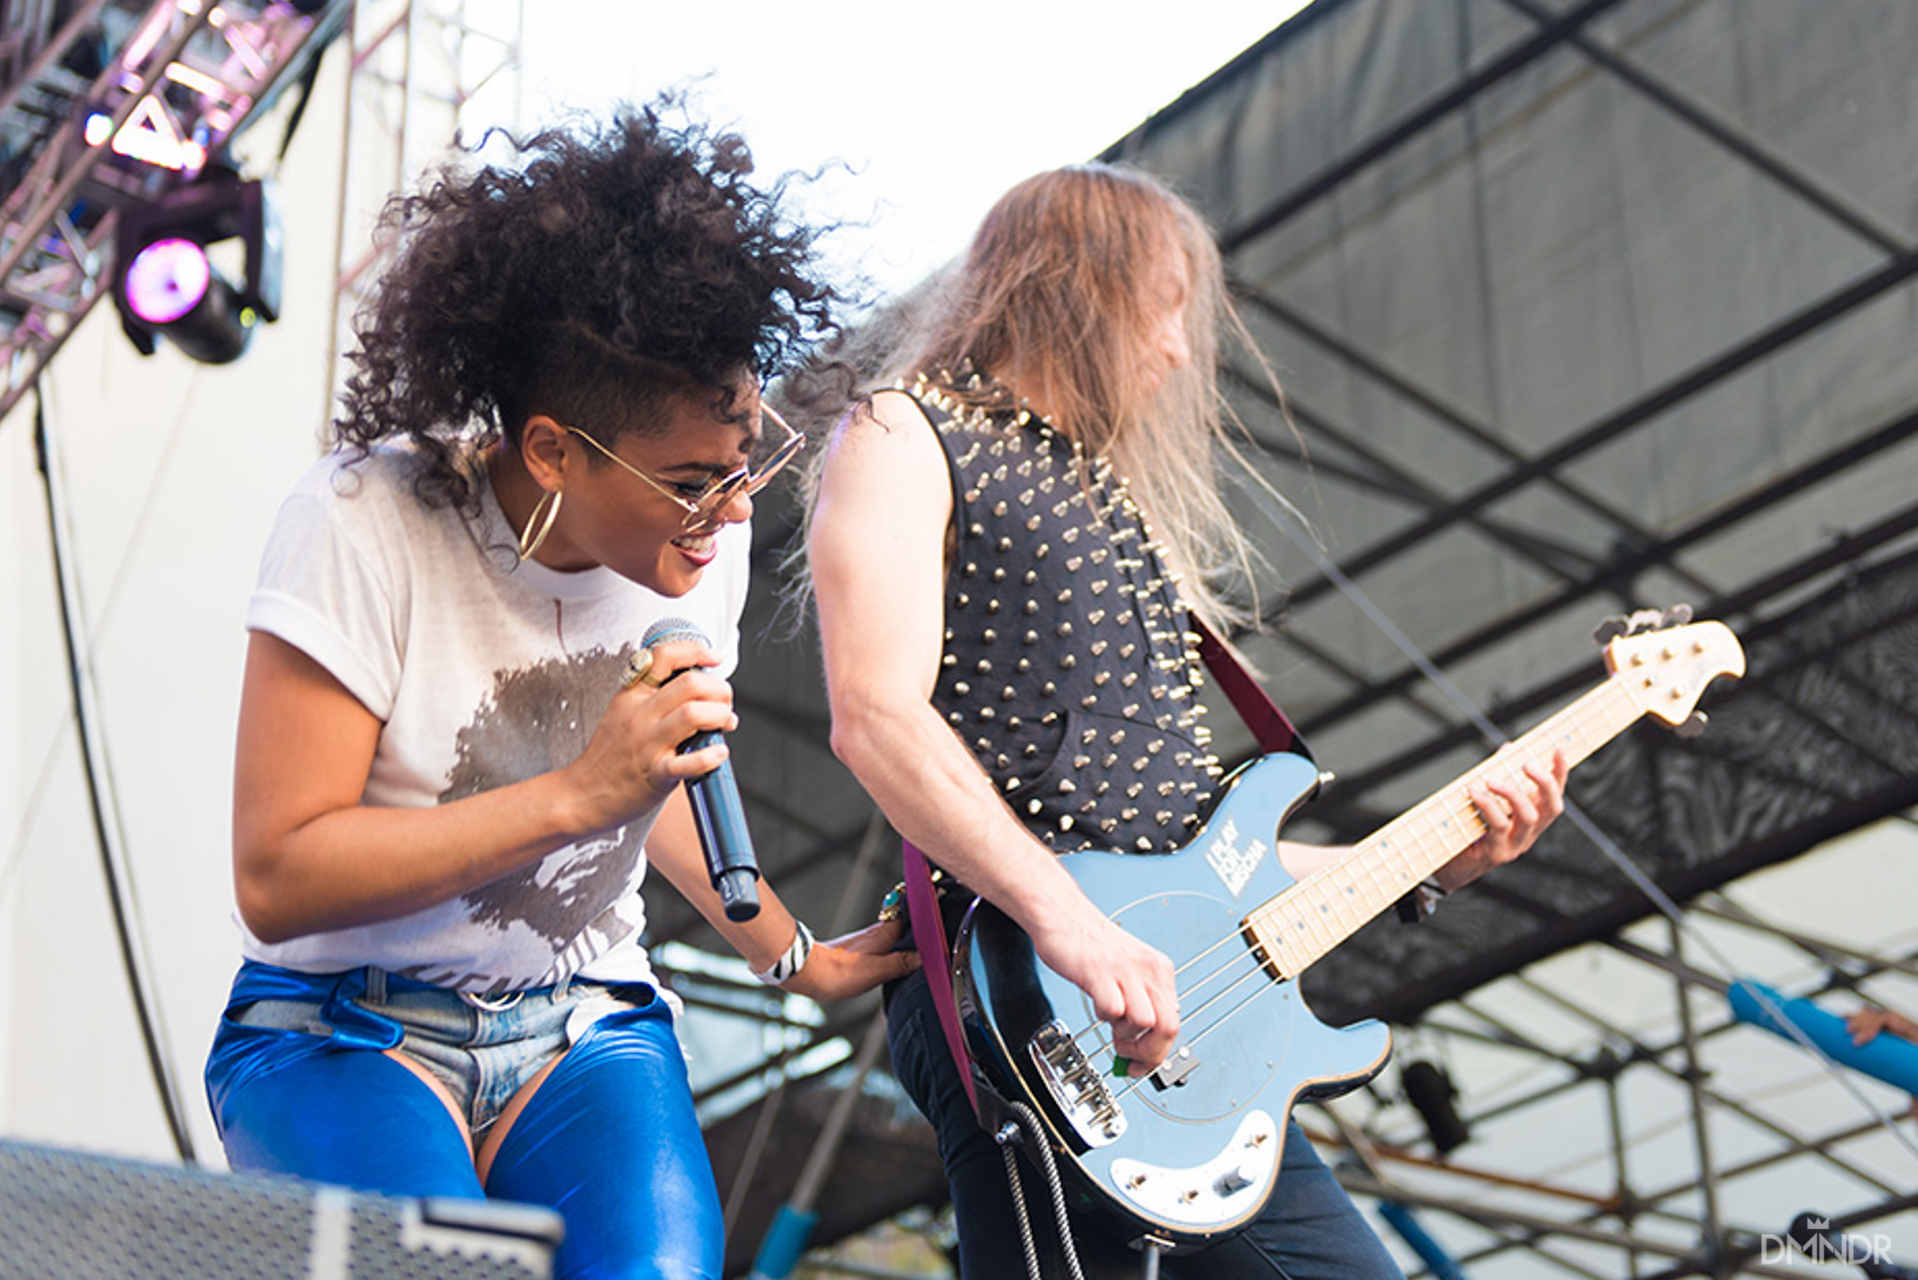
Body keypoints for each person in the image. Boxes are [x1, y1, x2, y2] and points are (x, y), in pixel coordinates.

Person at [803, 163, 1569, 1278]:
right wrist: (1068, 920)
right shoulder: (902, 431)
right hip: (1025, 987)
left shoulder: (1109, 500)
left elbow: (1204, 865)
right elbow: (875, 712)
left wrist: (1431, 859)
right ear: (1086, 287)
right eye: (1166, 311)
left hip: (1156, 1012)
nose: (1175, 351)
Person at [203, 106, 915, 1280]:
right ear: (551, 452)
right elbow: (279, 876)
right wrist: (580, 791)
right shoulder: (364, 523)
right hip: (338, 1028)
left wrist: (796, 957)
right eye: (694, 481)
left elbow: (661, 783)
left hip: (581, 1025)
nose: (734, 508)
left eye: (746, 464)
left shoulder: (700, 545)